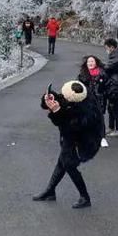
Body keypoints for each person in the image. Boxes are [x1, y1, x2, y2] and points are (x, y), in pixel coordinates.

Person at [32, 81, 102, 209]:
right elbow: (62, 100)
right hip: (72, 138)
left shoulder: (85, 113)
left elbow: (68, 129)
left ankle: (85, 197)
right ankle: (50, 191)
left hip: (83, 141)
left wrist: (57, 111)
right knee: (62, 162)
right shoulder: (76, 94)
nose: (62, 97)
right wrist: (50, 97)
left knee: (69, 164)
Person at [77, 55, 109, 147]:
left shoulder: (102, 73)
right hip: (87, 100)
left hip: (100, 99)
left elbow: (107, 86)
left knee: (99, 119)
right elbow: (78, 86)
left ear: (96, 63)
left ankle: (102, 138)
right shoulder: (82, 75)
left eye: (92, 61)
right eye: (88, 62)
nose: (90, 63)